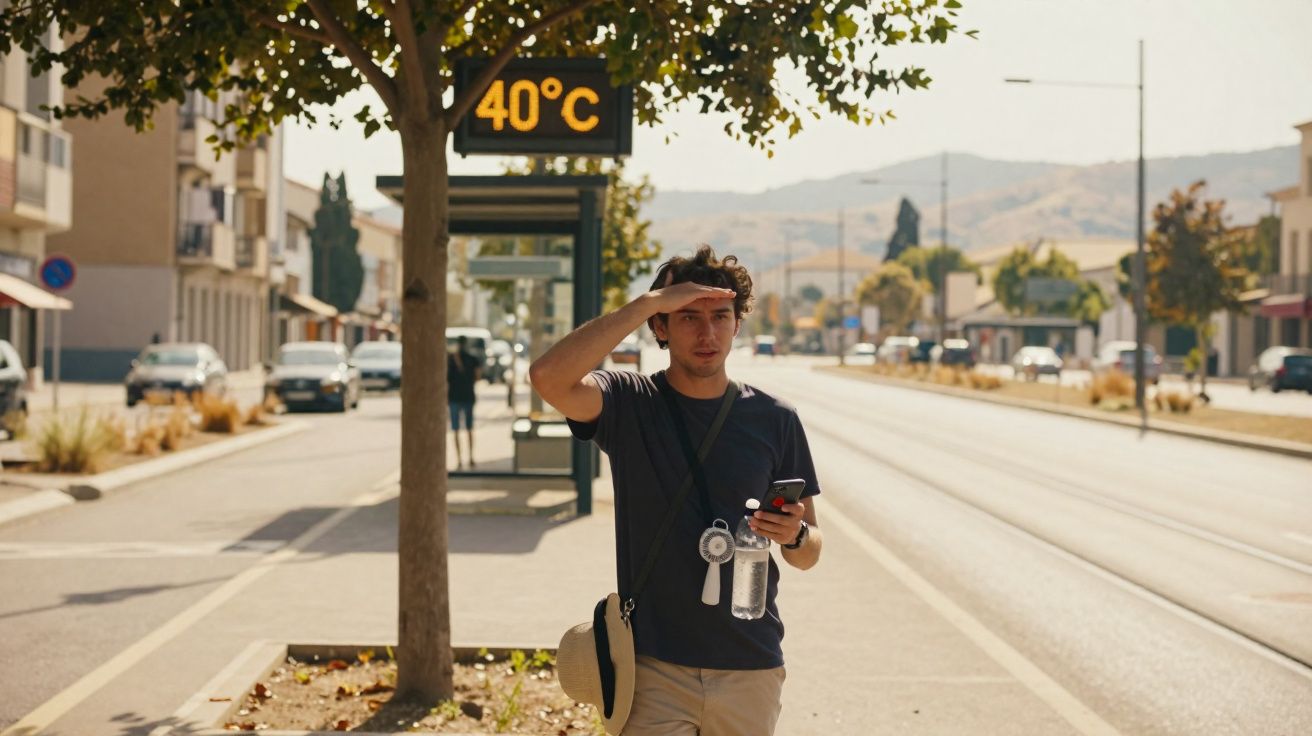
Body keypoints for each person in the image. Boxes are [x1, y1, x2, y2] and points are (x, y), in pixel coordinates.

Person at [530, 245, 823, 735]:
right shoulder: (629, 403)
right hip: (652, 669)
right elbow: (547, 377)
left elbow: (809, 552)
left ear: (737, 324)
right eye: (687, 317)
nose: (707, 333)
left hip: (750, 666)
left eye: (720, 317)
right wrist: (646, 303)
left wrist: (794, 536)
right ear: (661, 328)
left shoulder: (775, 419)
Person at [447, 335, 480, 469]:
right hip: (468, 396)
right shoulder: (473, 359)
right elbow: (478, 377)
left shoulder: (451, 359)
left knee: (455, 429)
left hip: (454, 397)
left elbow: (446, 379)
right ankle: (471, 457)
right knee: (469, 428)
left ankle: (459, 459)